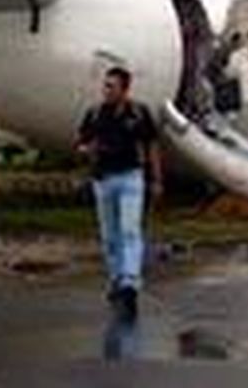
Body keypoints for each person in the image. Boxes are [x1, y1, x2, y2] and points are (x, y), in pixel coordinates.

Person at [76, 67, 163, 319]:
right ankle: (115, 278)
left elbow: (151, 145)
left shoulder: (138, 113)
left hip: (130, 177)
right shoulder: (94, 114)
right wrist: (86, 150)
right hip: (103, 179)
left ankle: (130, 282)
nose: (106, 91)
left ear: (125, 90)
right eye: (105, 86)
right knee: (109, 234)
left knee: (130, 230)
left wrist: (156, 179)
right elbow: (81, 141)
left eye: (111, 86)